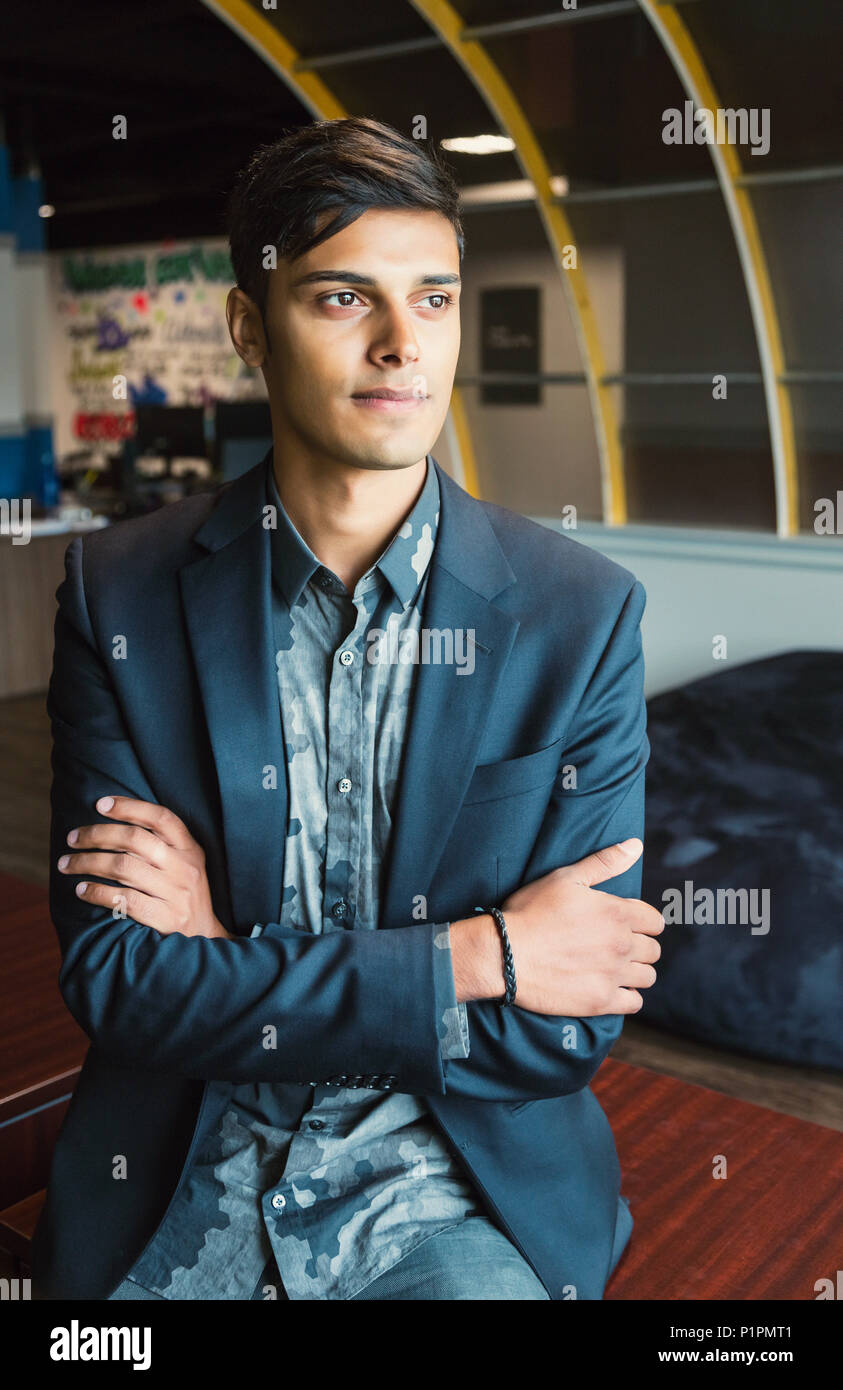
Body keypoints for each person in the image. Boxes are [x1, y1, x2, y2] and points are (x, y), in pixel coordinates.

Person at [32, 117, 663, 1302]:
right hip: (180, 1179)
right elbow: (120, 983)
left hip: (451, 1191)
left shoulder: (582, 618)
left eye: (432, 299)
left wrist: (225, 962)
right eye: (341, 299)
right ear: (248, 328)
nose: (399, 345)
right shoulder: (116, 591)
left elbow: (564, 1029)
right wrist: (479, 956)